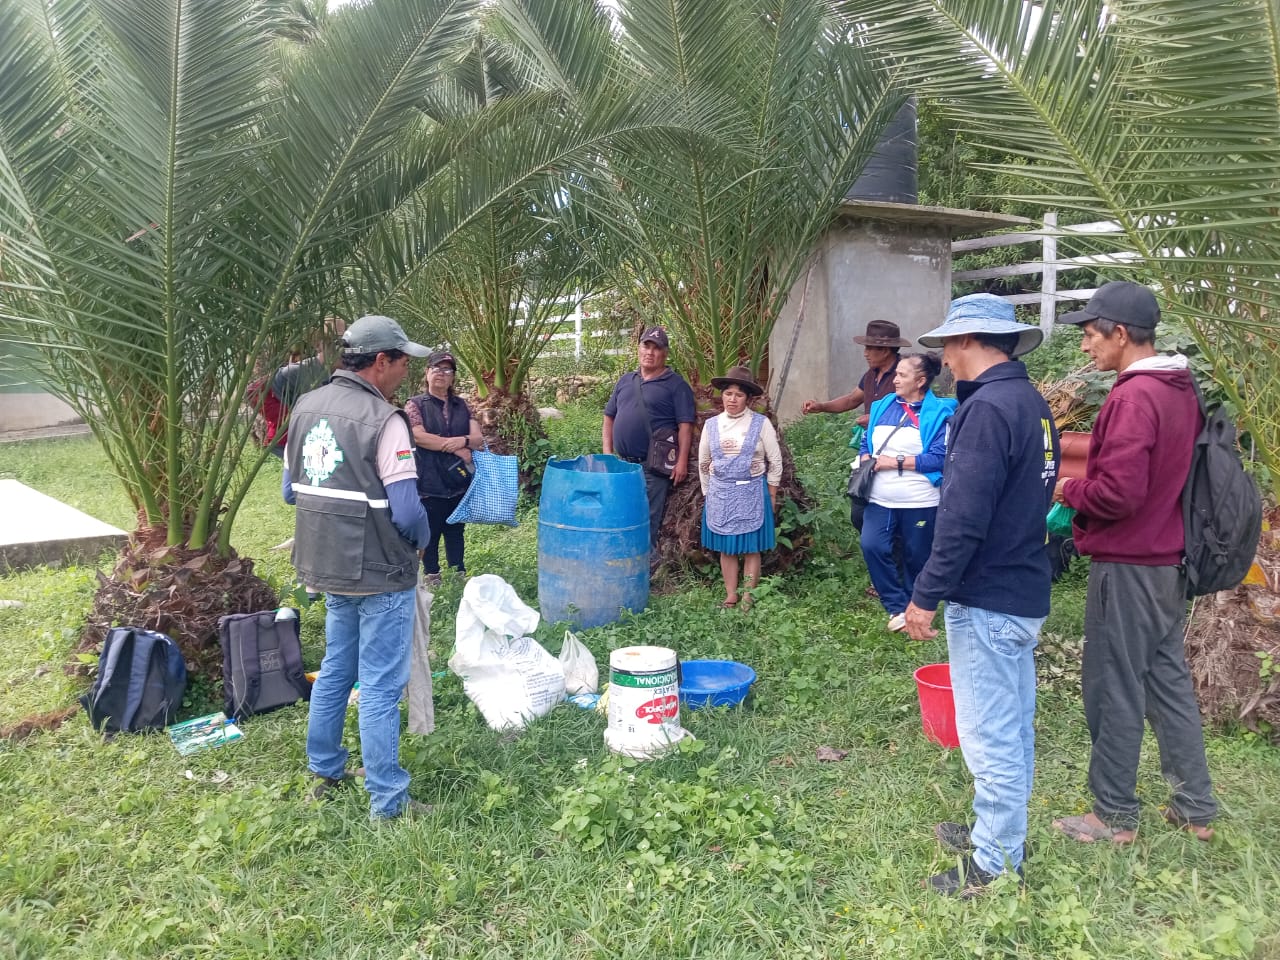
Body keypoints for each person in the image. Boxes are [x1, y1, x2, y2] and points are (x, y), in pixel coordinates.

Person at [1050, 281, 1218, 845]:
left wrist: (1068, 490)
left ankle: (1113, 814)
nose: (1084, 348)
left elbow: (1118, 495)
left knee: (1114, 686)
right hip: (1167, 560)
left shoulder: (1133, 396)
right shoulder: (1180, 387)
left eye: (1091, 336)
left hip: (1127, 564)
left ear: (1121, 334)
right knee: (1167, 681)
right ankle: (1195, 808)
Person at [902, 293, 1059, 897]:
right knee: (1012, 725)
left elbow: (962, 516)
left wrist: (926, 594)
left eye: (947, 343)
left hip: (990, 597)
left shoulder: (988, 410)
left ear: (970, 342)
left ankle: (994, 863)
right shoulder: (1030, 403)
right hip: (1021, 585)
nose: (943, 355)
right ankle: (993, 831)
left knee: (991, 733)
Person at [282, 314, 432, 821]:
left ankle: (325, 769)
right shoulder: (385, 421)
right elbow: (408, 511)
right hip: (379, 570)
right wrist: (424, 542)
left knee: (335, 671)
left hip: (324, 564)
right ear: (380, 362)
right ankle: (388, 801)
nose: (406, 372)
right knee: (380, 685)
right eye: (402, 361)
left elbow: (289, 490)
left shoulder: (306, 407)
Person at [858, 353, 956, 632]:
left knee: (917, 555)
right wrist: (866, 457)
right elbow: (867, 441)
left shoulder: (941, 413)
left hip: (920, 500)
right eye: (896, 374)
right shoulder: (882, 406)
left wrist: (895, 462)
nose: (896, 379)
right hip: (879, 497)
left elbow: (940, 458)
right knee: (872, 546)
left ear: (921, 380)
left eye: (902, 375)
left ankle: (918, 607)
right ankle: (896, 606)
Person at [602, 327, 696, 562]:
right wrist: (607, 454)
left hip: (653, 468)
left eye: (657, 348)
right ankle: (621, 564)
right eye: (646, 346)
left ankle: (644, 571)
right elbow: (608, 417)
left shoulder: (675, 385)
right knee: (622, 514)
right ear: (639, 349)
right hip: (622, 466)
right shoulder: (625, 381)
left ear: (665, 354)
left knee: (647, 520)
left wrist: (682, 461)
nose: (650, 352)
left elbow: (686, 425)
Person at [699, 365, 783, 611]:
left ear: (747, 398)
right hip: (720, 494)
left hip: (752, 493)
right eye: (728, 393)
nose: (732, 399)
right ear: (722, 396)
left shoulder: (760, 423)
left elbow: (775, 460)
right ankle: (730, 595)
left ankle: (748, 596)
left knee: (751, 547)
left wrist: (772, 493)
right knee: (727, 547)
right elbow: (704, 463)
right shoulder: (712, 425)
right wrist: (708, 493)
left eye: (738, 394)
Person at [405, 351, 483, 586]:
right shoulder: (415, 405)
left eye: (447, 370)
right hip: (429, 480)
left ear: (453, 378)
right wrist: (456, 448)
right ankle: (432, 576)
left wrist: (463, 442)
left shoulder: (463, 405)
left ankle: (458, 574)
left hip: (458, 482)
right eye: (436, 369)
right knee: (430, 531)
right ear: (427, 373)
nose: (441, 373)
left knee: (455, 530)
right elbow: (418, 436)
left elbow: (477, 437)